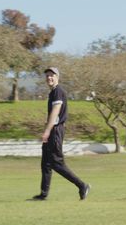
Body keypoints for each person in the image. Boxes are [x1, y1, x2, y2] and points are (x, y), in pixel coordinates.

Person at [32, 67, 91, 201]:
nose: (49, 78)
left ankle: (82, 186)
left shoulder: (58, 91)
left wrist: (47, 131)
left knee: (57, 163)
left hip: (55, 130)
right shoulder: (53, 92)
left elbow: (56, 111)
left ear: (57, 77)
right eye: (47, 76)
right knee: (46, 163)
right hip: (53, 130)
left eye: (52, 75)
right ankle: (43, 194)